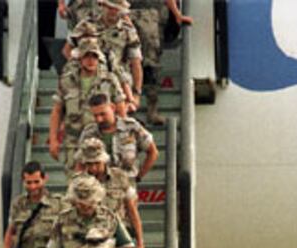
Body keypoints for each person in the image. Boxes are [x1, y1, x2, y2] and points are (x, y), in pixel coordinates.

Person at [49, 38, 126, 174]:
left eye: (94, 56)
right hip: (74, 142)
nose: (91, 60)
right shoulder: (67, 80)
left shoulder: (109, 80)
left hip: (100, 141)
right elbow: (57, 111)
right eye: (87, 56)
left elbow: (120, 110)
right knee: (77, 184)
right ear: (80, 58)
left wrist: (122, 138)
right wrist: (53, 139)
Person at [75, 137, 145, 248]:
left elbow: (132, 211)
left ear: (104, 160)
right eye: (89, 164)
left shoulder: (119, 177)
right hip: (89, 241)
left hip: (117, 238)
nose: (93, 168)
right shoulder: (79, 182)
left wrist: (140, 243)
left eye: (97, 163)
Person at [129, 0, 193, 125]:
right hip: (133, 17)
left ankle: (151, 111)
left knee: (150, 67)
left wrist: (177, 15)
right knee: (129, 67)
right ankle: (132, 112)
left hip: (150, 19)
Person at [79, 93, 158, 184]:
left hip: (126, 186)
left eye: (102, 114)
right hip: (98, 188)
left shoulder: (131, 127)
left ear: (112, 107)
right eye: (95, 115)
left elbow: (153, 152)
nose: (99, 119)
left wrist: (138, 177)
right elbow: (80, 162)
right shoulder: (89, 132)